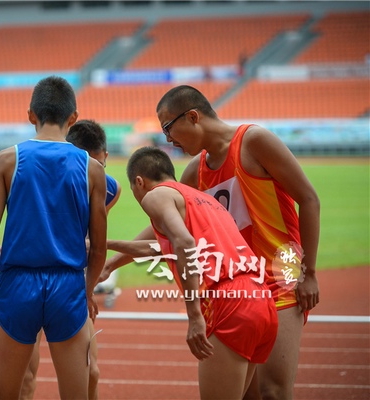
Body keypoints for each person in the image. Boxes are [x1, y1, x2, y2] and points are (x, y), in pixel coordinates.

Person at [102, 85, 320, 400]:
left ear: (193, 116)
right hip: (241, 285)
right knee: (247, 395)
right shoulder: (196, 170)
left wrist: (309, 272)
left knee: (274, 391)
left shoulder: (254, 141)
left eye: (168, 127)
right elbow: (162, 228)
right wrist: (111, 263)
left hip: (279, 277)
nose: (168, 140)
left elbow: (309, 199)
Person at [0, 76, 108, 400]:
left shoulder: (6, 160)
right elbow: (99, 248)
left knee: (6, 395)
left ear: (31, 114)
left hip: (17, 284)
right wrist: (86, 291)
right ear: (73, 118)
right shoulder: (92, 169)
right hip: (68, 285)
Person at [107, 146, 278, 400]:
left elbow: (183, 244)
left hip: (228, 302)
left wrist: (194, 314)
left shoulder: (156, 196)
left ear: (139, 182)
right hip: (261, 299)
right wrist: (108, 257)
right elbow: (160, 248)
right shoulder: (202, 199)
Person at [21, 119, 121, 400]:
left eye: (98, 164)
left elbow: (92, 243)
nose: (92, 172)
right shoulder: (35, 171)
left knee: (91, 373)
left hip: (69, 284)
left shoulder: (108, 187)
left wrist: (87, 290)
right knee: (26, 375)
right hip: (28, 280)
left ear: (105, 158)